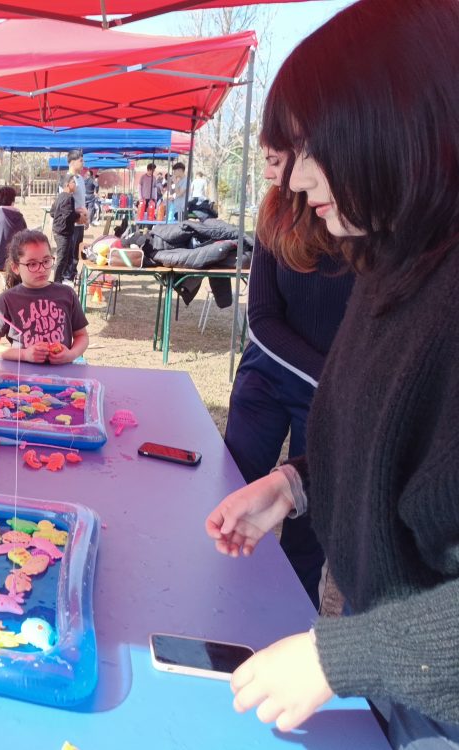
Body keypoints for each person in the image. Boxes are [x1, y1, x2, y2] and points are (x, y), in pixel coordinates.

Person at [204, 0, 459, 744]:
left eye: (309, 147)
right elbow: (404, 445)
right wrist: (299, 483)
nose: (296, 178)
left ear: (396, 121)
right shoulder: (392, 260)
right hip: (382, 668)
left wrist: (340, 655)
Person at [223, 152, 354, 611]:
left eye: (276, 158)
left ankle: (292, 623)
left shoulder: (361, 226)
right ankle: (222, 602)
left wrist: (340, 390)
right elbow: (261, 316)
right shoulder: (275, 210)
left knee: (308, 530)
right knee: (232, 495)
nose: (269, 172)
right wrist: (332, 381)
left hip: (332, 394)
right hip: (270, 377)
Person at [0, 229, 89, 364]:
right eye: (32, 264)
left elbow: (82, 336)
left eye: (46, 261)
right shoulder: (6, 300)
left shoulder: (67, 294)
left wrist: (71, 354)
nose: (41, 269)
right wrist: (25, 354)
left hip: (63, 375)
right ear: (15, 267)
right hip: (22, 375)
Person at [50, 175, 78, 286]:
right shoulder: (68, 198)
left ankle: (60, 280)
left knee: (65, 257)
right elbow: (69, 215)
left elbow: (52, 212)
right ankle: (56, 283)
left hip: (58, 231)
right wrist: (78, 216)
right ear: (67, 184)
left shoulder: (60, 196)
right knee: (61, 259)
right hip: (63, 233)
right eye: (73, 182)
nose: (75, 185)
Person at [65, 150, 88, 285]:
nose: (83, 163)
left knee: (76, 251)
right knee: (69, 250)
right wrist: (76, 214)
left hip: (81, 222)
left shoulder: (80, 179)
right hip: (72, 222)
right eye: (81, 160)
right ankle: (66, 276)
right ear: (72, 162)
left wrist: (86, 217)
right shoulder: (68, 180)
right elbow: (65, 203)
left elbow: (82, 201)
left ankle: (73, 274)